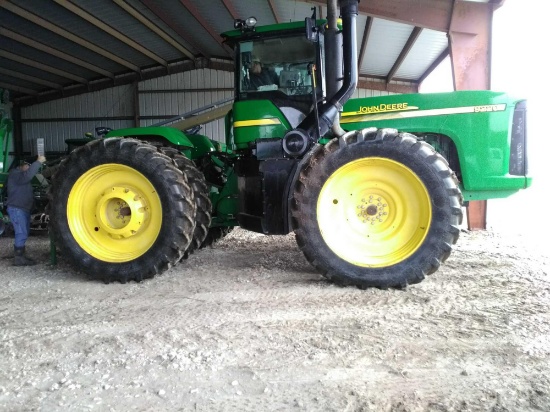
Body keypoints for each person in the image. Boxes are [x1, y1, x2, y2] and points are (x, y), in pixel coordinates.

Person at [6, 155, 46, 266]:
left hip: (22, 209)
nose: (29, 168)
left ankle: (20, 255)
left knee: (24, 232)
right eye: (28, 165)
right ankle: (18, 258)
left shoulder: (21, 176)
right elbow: (27, 176)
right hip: (16, 209)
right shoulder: (15, 174)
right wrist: (38, 162)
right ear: (22, 165)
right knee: (21, 232)